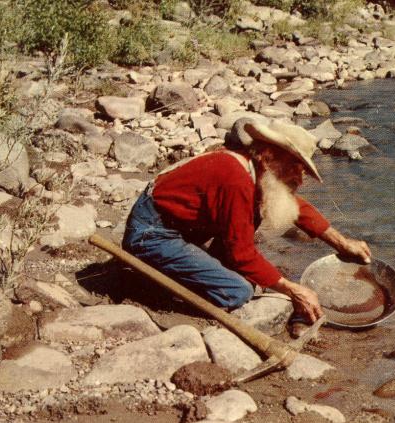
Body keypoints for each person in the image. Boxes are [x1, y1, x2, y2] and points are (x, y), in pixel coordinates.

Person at [122, 118, 371, 324]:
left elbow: (296, 206)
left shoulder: (254, 168)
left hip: (179, 226)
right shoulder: (235, 179)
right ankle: (149, 283)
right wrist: (293, 289)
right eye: (296, 167)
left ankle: (178, 268)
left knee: (255, 247)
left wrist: (341, 243)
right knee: (238, 291)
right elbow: (242, 254)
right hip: (152, 233)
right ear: (269, 155)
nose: (300, 178)